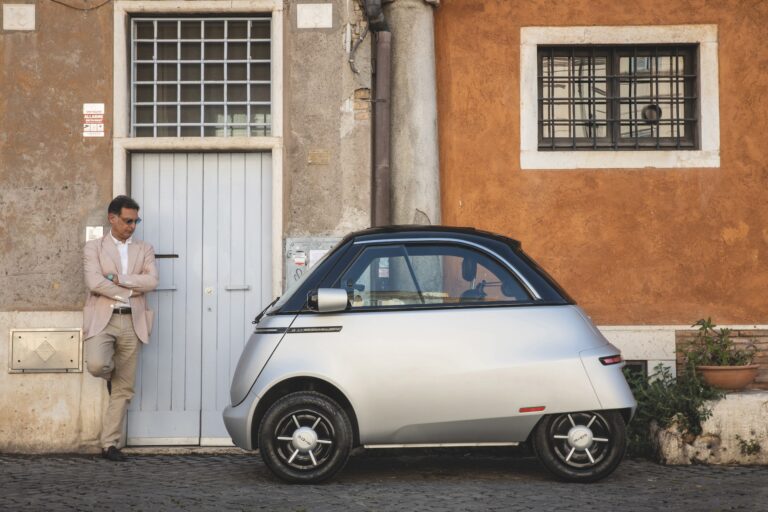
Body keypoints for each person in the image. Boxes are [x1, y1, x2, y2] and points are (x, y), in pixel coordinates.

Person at [83, 195, 158, 462]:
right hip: (103, 318)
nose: (132, 226)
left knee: (124, 389)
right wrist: (126, 292)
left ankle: (109, 444)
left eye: (136, 221)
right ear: (112, 218)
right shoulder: (94, 247)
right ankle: (111, 376)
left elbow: (151, 282)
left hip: (132, 320)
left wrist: (118, 279)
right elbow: (94, 282)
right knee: (96, 365)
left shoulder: (144, 248)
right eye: (128, 220)